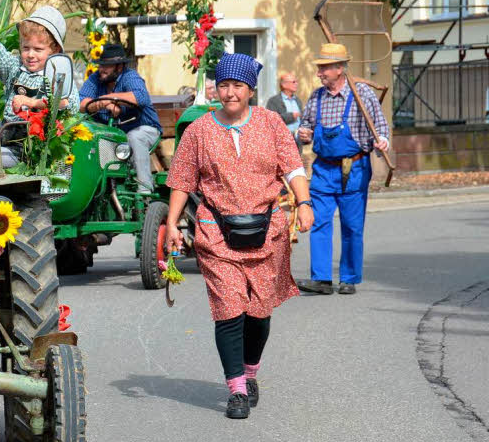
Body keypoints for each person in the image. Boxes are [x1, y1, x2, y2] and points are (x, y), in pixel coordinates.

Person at [165, 53, 313, 419]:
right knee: (229, 310)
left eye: (238, 86)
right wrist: (170, 224)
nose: (230, 93)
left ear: (250, 90)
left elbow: (292, 166)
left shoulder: (271, 123)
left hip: (267, 231)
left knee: (259, 313)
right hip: (216, 233)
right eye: (224, 85)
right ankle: (236, 389)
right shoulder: (199, 130)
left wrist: (305, 201)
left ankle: (250, 372)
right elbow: (182, 181)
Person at [295, 43, 389, 296]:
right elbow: (305, 127)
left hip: (354, 168)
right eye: (320, 68)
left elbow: (381, 128)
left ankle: (348, 278)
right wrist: (303, 133)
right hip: (324, 169)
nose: (319, 73)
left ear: (339, 69)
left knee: (352, 226)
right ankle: (322, 279)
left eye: (324, 68)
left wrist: (382, 141)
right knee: (319, 222)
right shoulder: (317, 97)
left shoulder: (362, 95)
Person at [0, 0, 80, 170]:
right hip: (3, 140)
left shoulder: (58, 75)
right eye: (26, 48)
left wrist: (32, 103)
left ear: (55, 49)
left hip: (31, 150)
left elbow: (69, 104)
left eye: (38, 49)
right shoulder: (15, 68)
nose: (30, 54)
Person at [79, 43, 162, 194]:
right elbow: (80, 102)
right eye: (101, 65)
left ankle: (145, 190)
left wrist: (108, 98)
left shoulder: (130, 76)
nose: (101, 69)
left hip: (143, 128)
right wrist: (102, 104)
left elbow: (140, 96)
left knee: (134, 137)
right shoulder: (95, 79)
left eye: (107, 65)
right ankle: (94, 192)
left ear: (119, 67)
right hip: (112, 135)